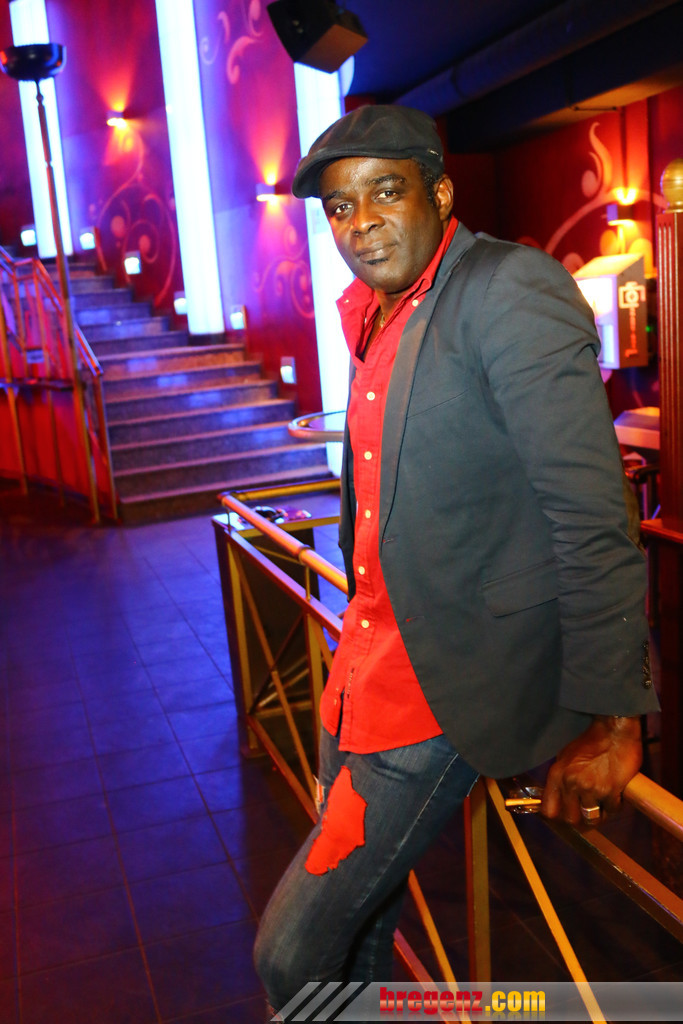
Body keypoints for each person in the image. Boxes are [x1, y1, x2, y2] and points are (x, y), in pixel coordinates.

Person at [253, 104, 658, 1016]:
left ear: (438, 194)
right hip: (361, 667)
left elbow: (592, 518)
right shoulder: (373, 313)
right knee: (359, 934)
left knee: (289, 955)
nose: (361, 224)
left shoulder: (507, 287)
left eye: (384, 193)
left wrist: (612, 715)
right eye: (340, 207)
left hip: (443, 683)